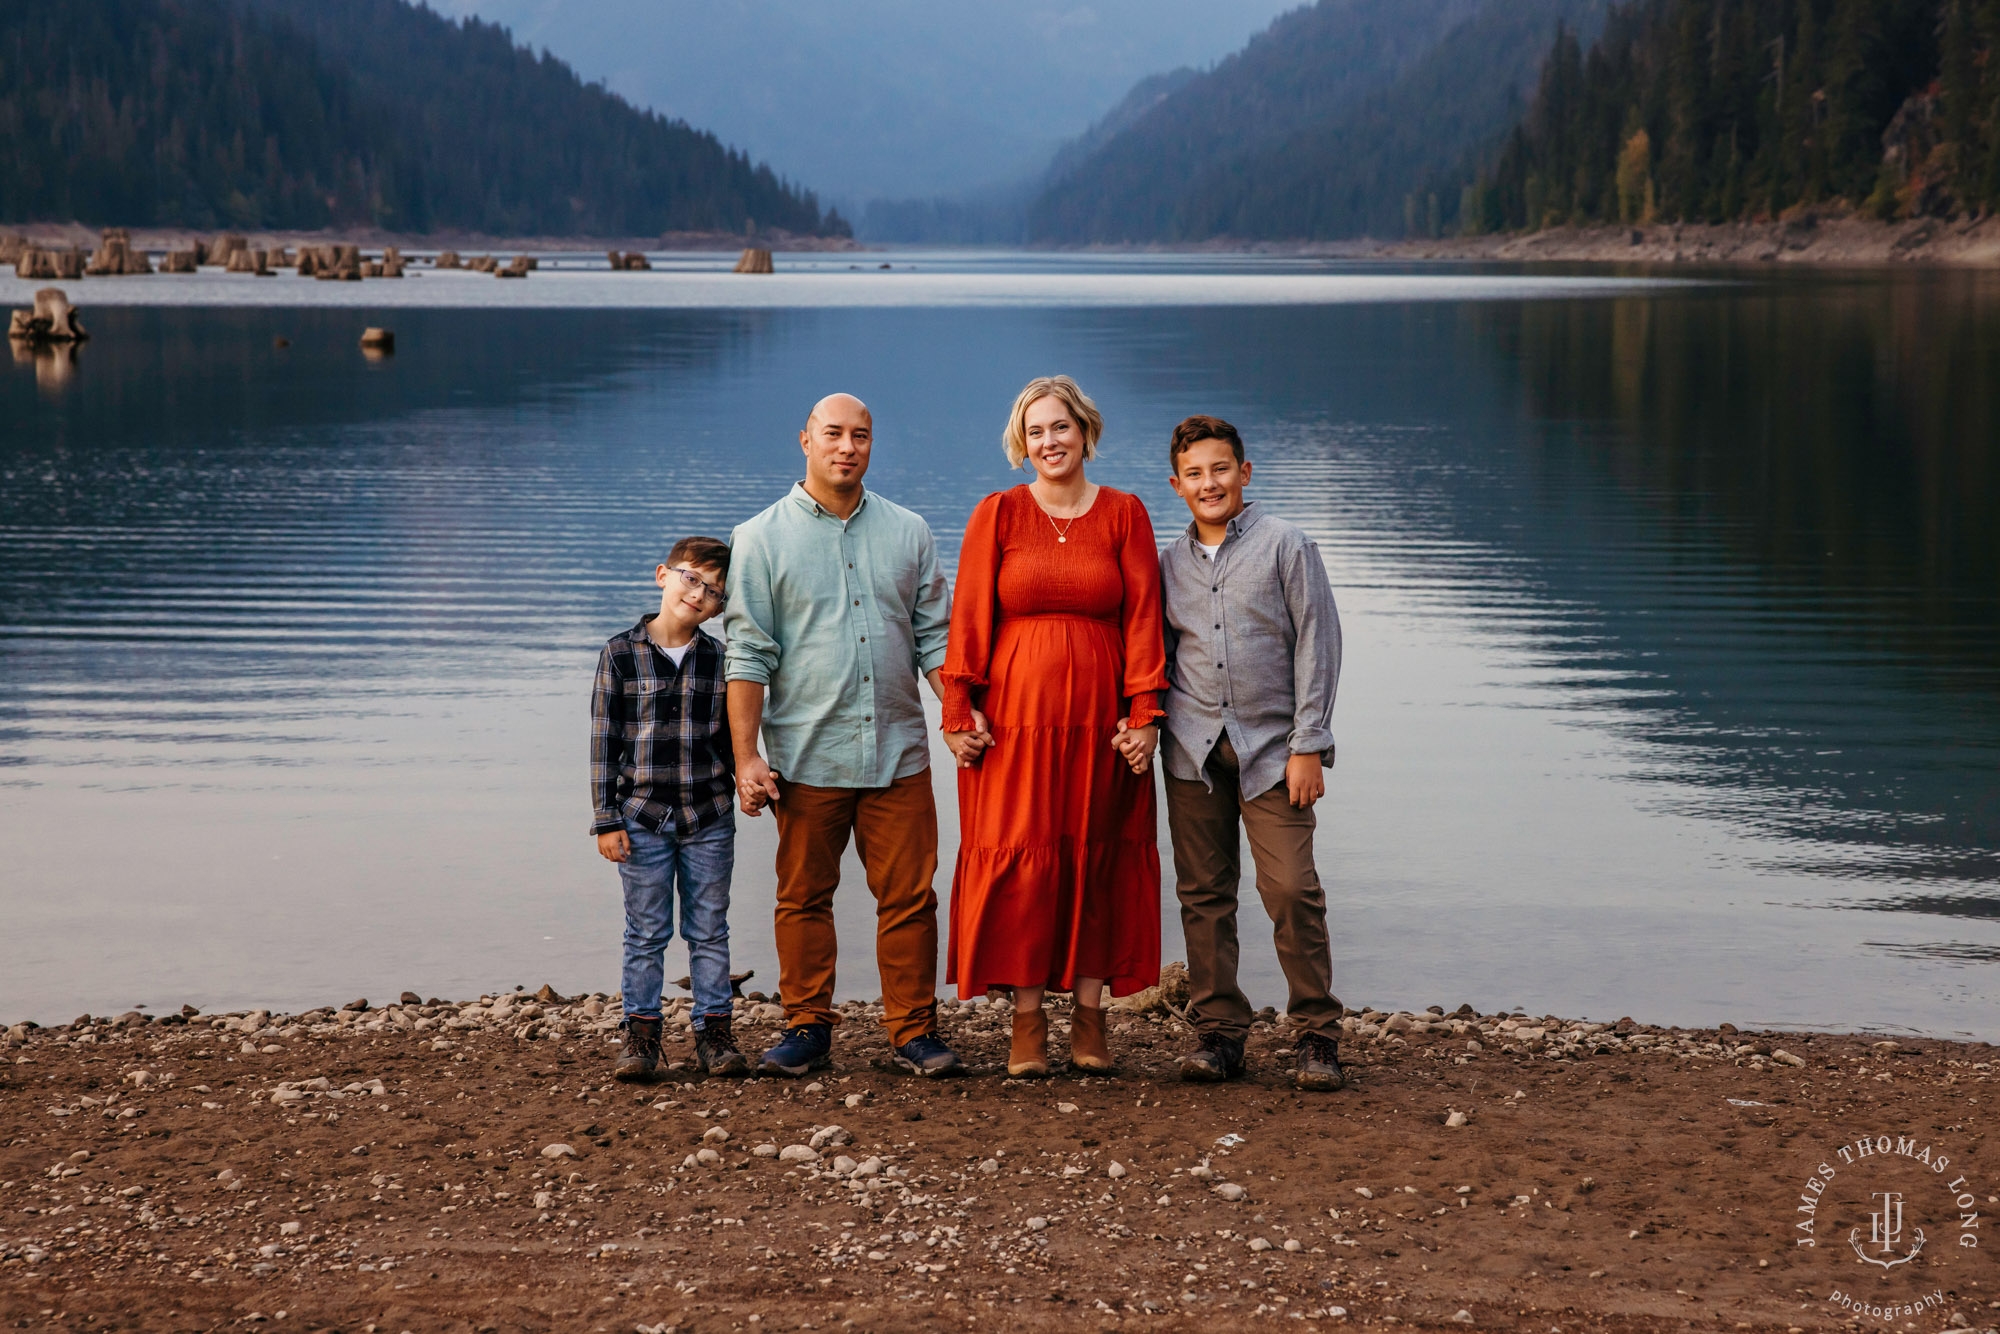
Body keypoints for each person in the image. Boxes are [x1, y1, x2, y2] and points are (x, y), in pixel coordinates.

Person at [724, 392, 966, 1079]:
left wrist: (959, 720)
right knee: (803, 898)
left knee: (911, 898)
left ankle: (913, 1032)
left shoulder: (909, 530)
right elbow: (747, 656)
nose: (847, 447)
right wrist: (747, 758)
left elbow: (935, 641)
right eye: (833, 434)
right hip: (806, 757)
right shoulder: (761, 537)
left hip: (900, 753)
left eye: (861, 435)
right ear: (805, 439)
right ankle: (806, 1029)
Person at [940, 375, 1169, 1077]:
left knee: (1096, 854)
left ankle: (1093, 1018)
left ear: (1085, 432)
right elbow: (970, 618)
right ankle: (1028, 1021)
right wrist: (956, 711)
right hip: (1014, 722)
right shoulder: (998, 514)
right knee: (1023, 856)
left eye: (1060, 427)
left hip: (1101, 720)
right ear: (1022, 441)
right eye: (1036, 431)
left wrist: (1145, 717)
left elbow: (1143, 622)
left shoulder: (1126, 513)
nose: (1049, 441)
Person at [1157, 415, 1346, 1091]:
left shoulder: (1286, 546)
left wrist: (1309, 746)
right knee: (1203, 896)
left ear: (1245, 473)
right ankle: (1218, 1034)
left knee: (1291, 889)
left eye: (1221, 469)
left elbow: (1317, 646)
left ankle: (1317, 1034)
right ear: (1177, 485)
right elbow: (1162, 656)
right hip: (1191, 751)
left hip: (1273, 752)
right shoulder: (1168, 563)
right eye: (1196, 474)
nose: (1210, 484)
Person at [590, 536, 747, 1082]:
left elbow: (730, 739)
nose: (699, 594)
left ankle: (714, 1033)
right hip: (642, 817)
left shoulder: (719, 658)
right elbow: (604, 742)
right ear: (663, 575)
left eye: (715, 592)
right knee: (645, 930)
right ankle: (641, 1036)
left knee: (709, 929)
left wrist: (753, 781)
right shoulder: (619, 653)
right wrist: (605, 820)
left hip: (709, 816)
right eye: (691, 578)